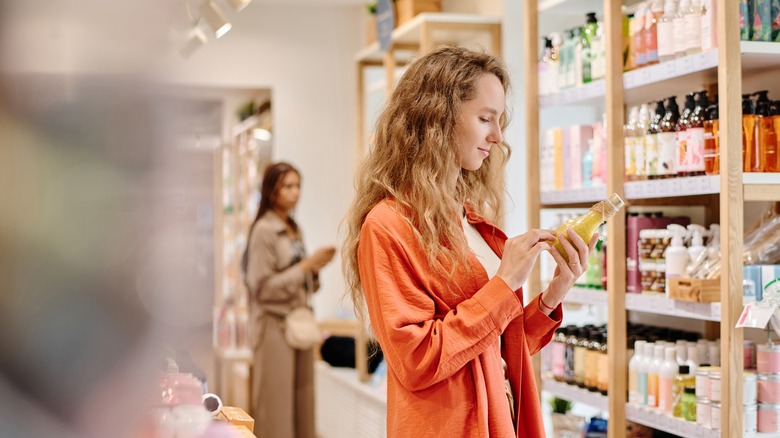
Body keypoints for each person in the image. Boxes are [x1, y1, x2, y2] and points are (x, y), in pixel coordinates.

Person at [342, 46, 598, 437]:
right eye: (485, 118)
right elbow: (417, 360)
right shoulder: (388, 226)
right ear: (437, 118)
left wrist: (554, 292)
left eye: (499, 121)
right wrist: (503, 285)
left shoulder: (471, 219)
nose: (497, 136)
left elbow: (497, 346)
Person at [244, 162, 336, 438]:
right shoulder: (263, 230)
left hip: (300, 324)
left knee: (303, 404)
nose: (295, 193)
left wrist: (314, 270)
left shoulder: (294, 229)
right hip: (274, 328)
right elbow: (260, 289)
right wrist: (305, 267)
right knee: (276, 408)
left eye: (298, 186)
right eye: (288, 186)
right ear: (272, 190)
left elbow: (301, 280)